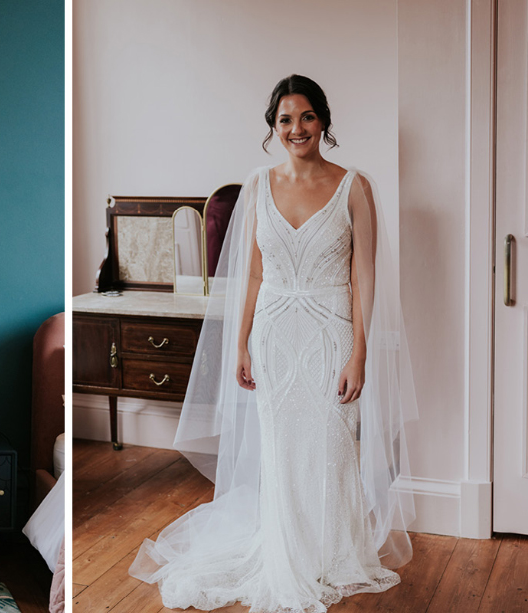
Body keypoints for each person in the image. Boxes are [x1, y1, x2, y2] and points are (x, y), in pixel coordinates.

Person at [128, 75, 418, 612]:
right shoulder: (259, 184)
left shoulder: (355, 186)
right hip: (275, 333)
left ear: (323, 120)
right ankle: (285, 553)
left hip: (330, 332)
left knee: (331, 446)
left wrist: (360, 351)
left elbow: (365, 275)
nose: (296, 128)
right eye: (285, 119)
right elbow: (253, 276)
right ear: (273, 128)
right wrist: (240, 343)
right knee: (282, 451)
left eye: (306, 116)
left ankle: (333, 554)